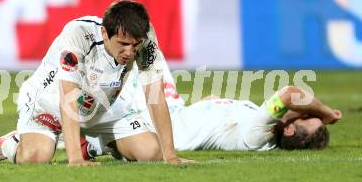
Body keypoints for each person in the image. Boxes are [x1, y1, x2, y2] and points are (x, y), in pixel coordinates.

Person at [0, 0, 191, 166]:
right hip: (48, 104)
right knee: (36, 157)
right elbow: (68, 96)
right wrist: (74, 158)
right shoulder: (78, 34)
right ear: (104, 32)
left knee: (152, 152)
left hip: (103, 107)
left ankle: (91, 145)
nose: (130, 52)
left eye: (135, 46)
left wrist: (170, 154)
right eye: (122, 44)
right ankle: (12, 143)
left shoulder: (146, 39)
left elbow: (155, 94)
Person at [81, 62, 342, 156]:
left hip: (163, 123)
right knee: (145, 50)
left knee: (113, 67)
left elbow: (289, 94)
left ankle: (79, 135)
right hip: (176, 109)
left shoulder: (257, 135)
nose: (307, 112)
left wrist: (326, 113)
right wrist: (210, 104)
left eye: (307, 117)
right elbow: (213, 103)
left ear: (287, 131)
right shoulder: (260, 122)